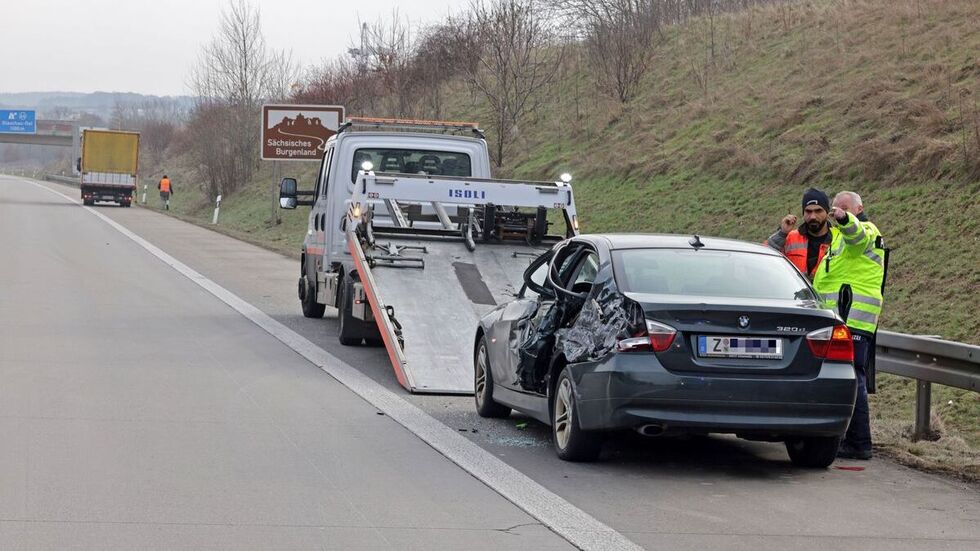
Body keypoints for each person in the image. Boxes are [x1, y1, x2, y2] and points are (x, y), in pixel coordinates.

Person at [813, 191, 886, 460]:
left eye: (844, 207)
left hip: (854, 317)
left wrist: (845, 219)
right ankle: (850, 438)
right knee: (849, 377)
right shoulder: (839, 239)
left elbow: (857, 235)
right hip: (843, 317)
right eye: (836, 207)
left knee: (853, 378)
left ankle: (859, 442)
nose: (837, 211)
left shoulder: (865, 229)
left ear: (859, 208)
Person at [766, 188, 835, 280]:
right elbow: (764, 257)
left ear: (827, 212)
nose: (813, 216)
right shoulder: (790, 237)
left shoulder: (838, 239)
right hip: (794, 289)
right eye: (808, 211)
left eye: (818, 211)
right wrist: (782, 233)